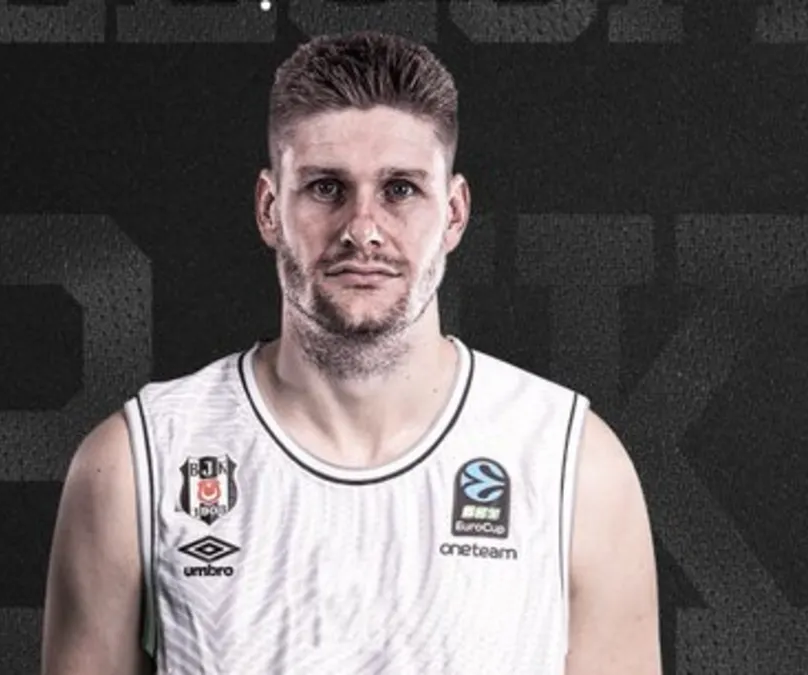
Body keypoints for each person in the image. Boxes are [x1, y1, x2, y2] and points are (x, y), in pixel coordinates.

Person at [41, 30, 661, 675]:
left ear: (454, 213)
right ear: (269, 208)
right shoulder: (139, 462)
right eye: (326, 188)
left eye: (400, 190)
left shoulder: (572, 464)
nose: (362, 229)